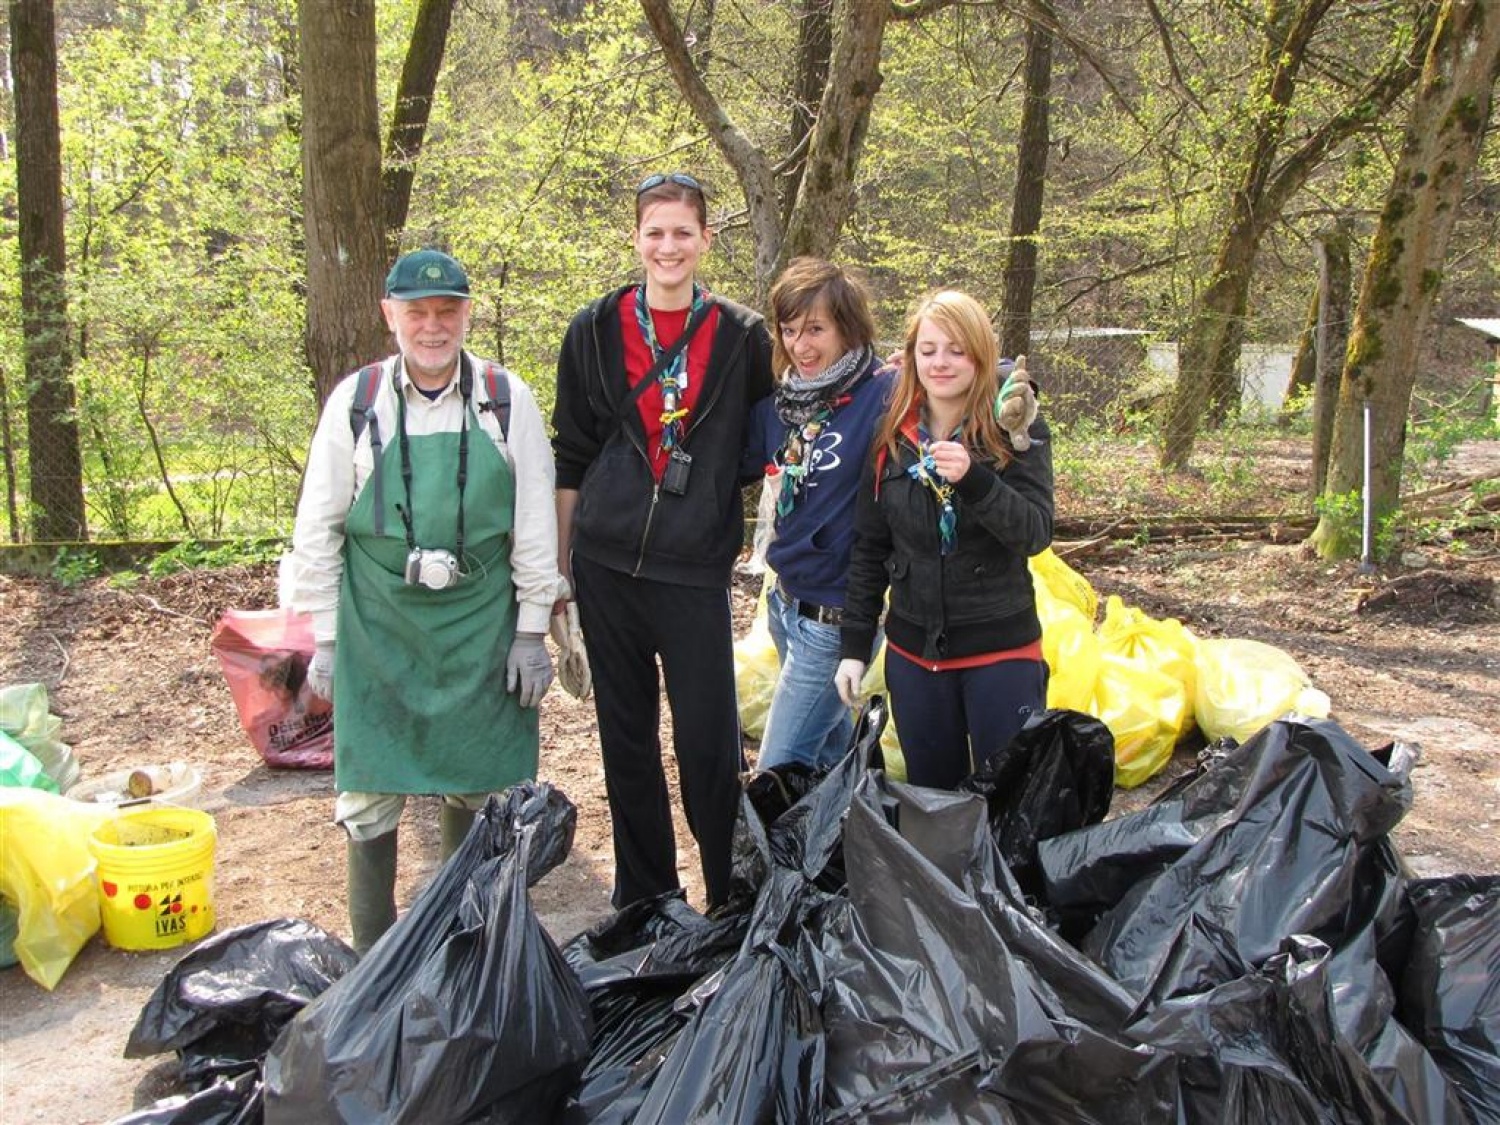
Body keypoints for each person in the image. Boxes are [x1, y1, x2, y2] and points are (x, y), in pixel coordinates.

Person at [289, 248, 560, 954]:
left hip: (481, 626)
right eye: (417, 313)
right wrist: (323, 635)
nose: (433, 327)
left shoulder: (507, 399)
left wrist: (533, 629)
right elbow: (317, 526)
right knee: (371, 795)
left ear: (468, 315)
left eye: (447, 312)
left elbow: (534, 522)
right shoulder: (356, 402)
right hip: (380, 627)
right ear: (391, 316)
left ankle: (459, 950)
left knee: (478, 784)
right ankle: (375, 968)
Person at [552, 172, 773, 910]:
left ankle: (727, 897)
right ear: (636, 239)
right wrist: (561, 572)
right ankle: (645, 897)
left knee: (709, 744)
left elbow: (772, 433)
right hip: (606, 564)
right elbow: (571, 451)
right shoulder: (592, 328)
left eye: (683, 232)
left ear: (706, 239)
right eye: (655, 232)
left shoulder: (742, 337)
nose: (668, 246)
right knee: (627, 741)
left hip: (693, 571)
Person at [834, 289, 1052, 789]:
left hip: (1001, 654)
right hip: (914, 657)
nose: (941, 363)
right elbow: (870, 547)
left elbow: (1035, 533)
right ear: (911, 356)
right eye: (928, 350)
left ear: (980, 355)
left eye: (957, 350)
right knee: (933, 804)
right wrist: (854, 646)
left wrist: (977, 481)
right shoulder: (891, 433)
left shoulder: (1016, 425)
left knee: (1009, 805)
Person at [743, 257, 893, 772]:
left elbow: (961, 375)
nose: (800, 346)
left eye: (816, 329)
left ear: (847, 328)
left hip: (835, 620)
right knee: (827, 764)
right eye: (788, 331)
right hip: (785, 607)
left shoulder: (884, 395)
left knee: (774, 772)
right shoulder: (782, 406)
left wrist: (1016, 390)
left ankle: (779, 854)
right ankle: (842, 851)